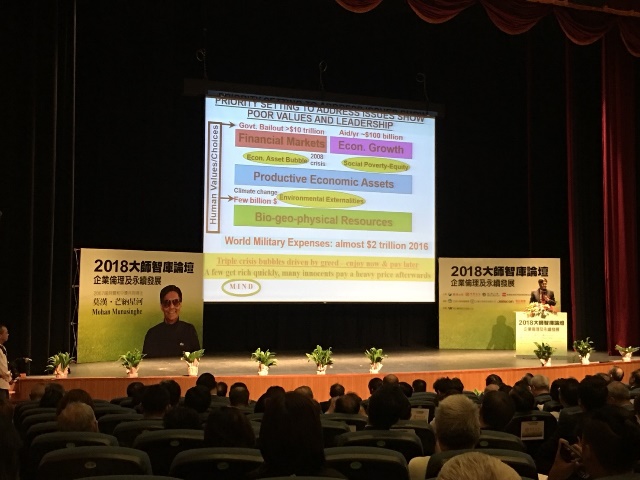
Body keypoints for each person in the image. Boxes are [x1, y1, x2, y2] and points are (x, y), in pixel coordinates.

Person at [142, 285, 200, 358]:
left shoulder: (189, 331)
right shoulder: (152, 334)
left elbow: (196, 360)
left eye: (175, 302)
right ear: (161, 306)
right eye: (167, 303)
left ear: (180, 304)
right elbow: (147, 363)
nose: (171, 307)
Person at [0, 324, 13, 400]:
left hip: (4, 384)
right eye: (6, 333)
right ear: (0, 335)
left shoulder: (3, 348)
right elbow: (2, 369)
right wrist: (10, 379)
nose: (8, 334)